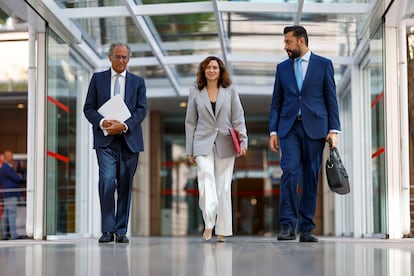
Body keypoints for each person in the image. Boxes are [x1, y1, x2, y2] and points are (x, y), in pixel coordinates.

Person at [268, 25, 341, 242]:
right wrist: (273, 131)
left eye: (288, 42)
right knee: (290, 171)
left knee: (310, 175)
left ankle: (307, 228)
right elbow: (276, 103)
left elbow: (331, 99)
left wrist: (333, 130)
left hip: (316, 128)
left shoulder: (324, 65)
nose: (285, 47)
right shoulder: (282, 68)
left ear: (301, 41)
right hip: (289, 128)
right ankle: (288, 226)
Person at [83, 42, 147, 243]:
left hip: (129, 141)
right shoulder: (98, 79)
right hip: (106, 141)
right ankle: (107, 230)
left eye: (125, 57)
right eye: (118, 56)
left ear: (129, 59)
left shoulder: (138, 82)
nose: (121, 61)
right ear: (110, 57)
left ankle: (120, 231)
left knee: (125, 186)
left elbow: (141, 110)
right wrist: (102, 122)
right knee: (108, 181)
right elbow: (88, 108)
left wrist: (125, 126)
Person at [185, 56, 248, 242]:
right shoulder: (195, 92)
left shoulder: (230, 91)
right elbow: (190, 122)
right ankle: (209, 223)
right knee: (205, 179)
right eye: (208, 67)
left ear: (220, 71)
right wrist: (189, 150)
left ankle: (222, 230)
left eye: (215, 67)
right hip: (202, 142)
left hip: (226, 143)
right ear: (203, 71)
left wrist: (243, 141)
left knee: (223, 187)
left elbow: (238, 118)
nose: (211, 70)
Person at [0, 150, 23, 240]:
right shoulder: (6, 168)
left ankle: (5, 235)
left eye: (12, 155)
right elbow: (17, 178)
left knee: (6, 215)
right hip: (11, 193)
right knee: (12, 214)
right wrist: (19, 176)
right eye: (9, 156)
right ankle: (14, 235)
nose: (12, 157)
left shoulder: (5, 167)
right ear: (4, 157)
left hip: (7, 194)